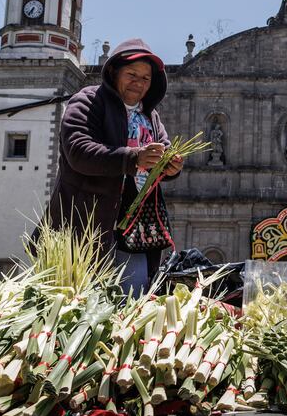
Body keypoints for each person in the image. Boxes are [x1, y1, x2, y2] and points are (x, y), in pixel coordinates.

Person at [43, 38, 183, 291]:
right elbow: (78, 151)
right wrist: (133, 158)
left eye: (145, 78)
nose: (138, 83)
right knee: (77, 304)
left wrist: (170, 166)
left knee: (131, 303)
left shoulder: (151, 116)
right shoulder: (87, 101)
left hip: (134, 231)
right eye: (131, 74)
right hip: (86, 226)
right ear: (113, 72)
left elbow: (164, 150)